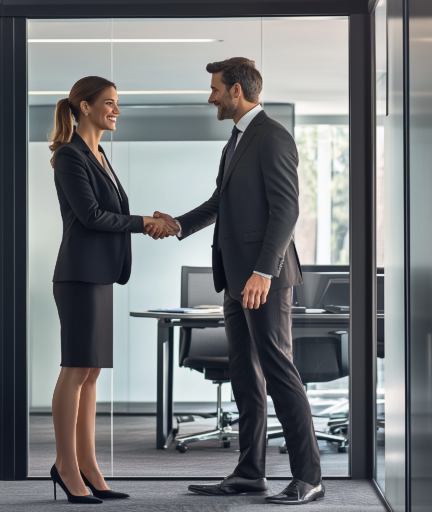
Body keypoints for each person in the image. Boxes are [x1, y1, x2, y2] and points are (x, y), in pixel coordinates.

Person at [146, 58, 324, 505]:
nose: (211, 97)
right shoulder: (238, 140)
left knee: (280, 373)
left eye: (215, 89)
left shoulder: (272, 137)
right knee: (246, 377)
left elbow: (286, 210)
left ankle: (310, 476)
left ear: (237, 91)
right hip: (235, 278)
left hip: (264, 279)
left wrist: (264, 271)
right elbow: (218, 202)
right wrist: (177, 225)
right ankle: (250, 472)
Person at [48, 76, 178, 504]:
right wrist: (144, 222)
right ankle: (66, 465)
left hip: (100, 276)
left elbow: (111, 213)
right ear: (84, 107)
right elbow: (90, 216)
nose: (115, 110)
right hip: (79, 275)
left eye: (116, 104)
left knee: (92, 371)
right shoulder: (70, 156)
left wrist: (146, 222)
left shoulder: (100, 154)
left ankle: (89, 465)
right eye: (108, 103)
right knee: (75, 368)